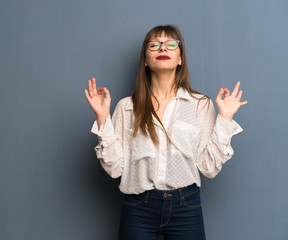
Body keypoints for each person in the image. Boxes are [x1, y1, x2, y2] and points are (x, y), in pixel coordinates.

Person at [84, 25, 247, 240]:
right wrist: (103, 119)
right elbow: (115, 168)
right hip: (138, 208)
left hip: (186, 207)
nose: (163, 48)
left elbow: (208, 167)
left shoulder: (200, 105)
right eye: (154, 44)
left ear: (180, 59)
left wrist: (225, 119)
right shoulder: (126, 107)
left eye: (171, 44)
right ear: (145, 59)